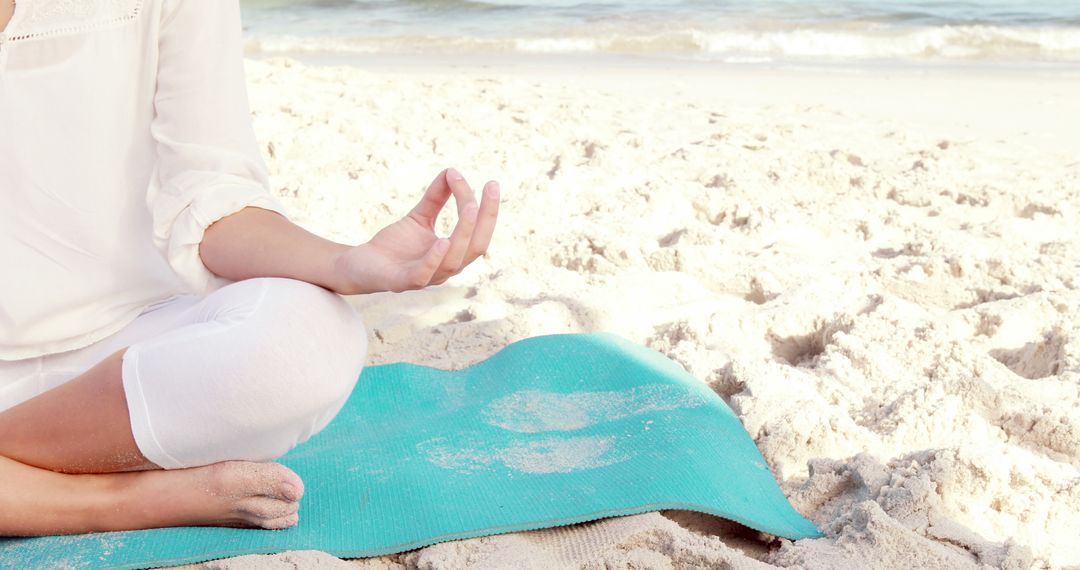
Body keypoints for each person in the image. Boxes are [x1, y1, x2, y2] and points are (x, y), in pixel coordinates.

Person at [0, 0, 499, 535]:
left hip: (131, 354)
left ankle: (23, 485)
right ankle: (123, 500)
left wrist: (347, 263)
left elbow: (214, 201)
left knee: (308, 337)